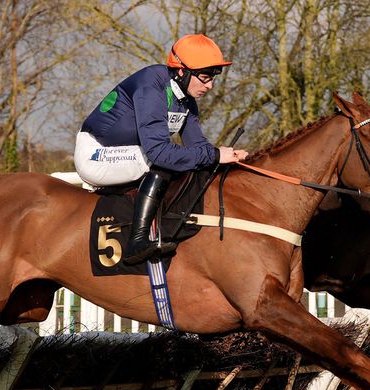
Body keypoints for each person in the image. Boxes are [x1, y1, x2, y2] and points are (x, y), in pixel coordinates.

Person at [74, 34, 248, 265]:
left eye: (213, 78)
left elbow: (198, 148)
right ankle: (137, 242)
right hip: (96, 154)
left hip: (132, 154)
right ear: (182, 71)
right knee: (164, 161)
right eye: (205, 78)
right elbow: (159, 153)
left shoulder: (187, 100)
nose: (210, 86)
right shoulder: (151, 83)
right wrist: (215, 154)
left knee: (193, 163)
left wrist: (225, 157)